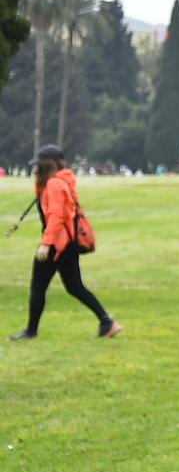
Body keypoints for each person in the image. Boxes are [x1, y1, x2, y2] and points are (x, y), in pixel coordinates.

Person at [9, 145, 121, 341]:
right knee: (74, 286)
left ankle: (31, 331)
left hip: (56, 244)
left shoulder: (54, 185)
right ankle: (107, 322)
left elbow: (56, 217)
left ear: (48, 164)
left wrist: (45, 244)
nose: (36, 169)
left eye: (39, 166)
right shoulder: (59, 182)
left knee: (38, 286)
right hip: (67, 244)